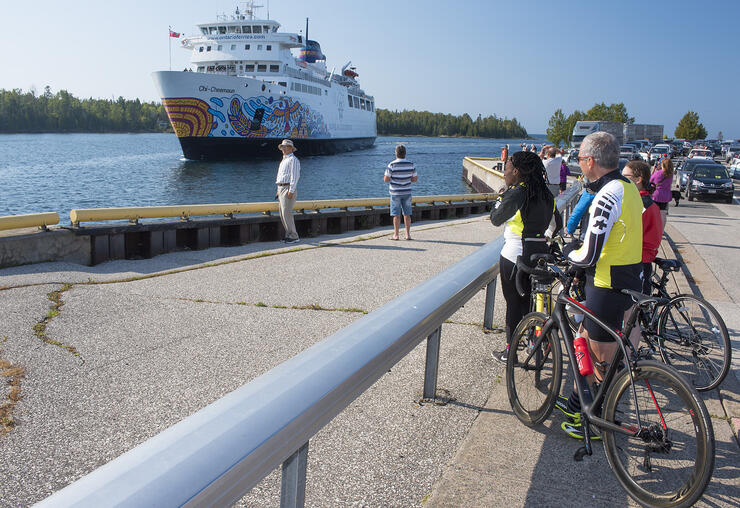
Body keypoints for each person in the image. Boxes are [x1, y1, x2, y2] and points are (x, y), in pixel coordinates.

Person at [557, 131, 643, 439]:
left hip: (608, 282)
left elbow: (589, 253)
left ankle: (594, 423)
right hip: (629, 275)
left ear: (590, 161)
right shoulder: (628, 186)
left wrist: (566, 252)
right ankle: (577, 400)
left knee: (600, 359)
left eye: (580, 158)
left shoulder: (608, 194)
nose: (578, 163)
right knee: (584, 338)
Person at [489, 151, 562, 362]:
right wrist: (545, 238)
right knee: (532, 300)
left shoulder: (516, 193)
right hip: (539, 254)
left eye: (507, 169)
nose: (504, 173)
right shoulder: (546, 194)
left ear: (517, 171)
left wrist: (501, 197)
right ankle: (534, 341)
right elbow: (557, 224)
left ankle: (510, 353)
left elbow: (496, 218)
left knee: (514, 304)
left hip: (514, 254)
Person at [622, 160, 662, 295]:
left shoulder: (640, 205)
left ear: (638, 180)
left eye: (626, 177)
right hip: (643, 256)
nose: (621, 180)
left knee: (636, 301)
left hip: (638, 258)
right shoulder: (648, 202)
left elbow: (627, 234)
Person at [384, 144, 418, 240]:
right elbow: (415, 179)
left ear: (396, 153)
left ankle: (396, 235)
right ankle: (407, 235)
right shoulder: (411, 164)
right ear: (405, 153)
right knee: (407, 214)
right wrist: (407, 179)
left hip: (395, 193)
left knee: (396, 215)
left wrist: (394, 178)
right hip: (407, 192)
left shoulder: (392, 165)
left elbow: (386, 179)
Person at [275, 139, 300, 243]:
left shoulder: (293, 160)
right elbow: (281, 176)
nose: (283, 149)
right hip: (281, 188)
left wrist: (291, 190)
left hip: (287, 188)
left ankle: (294, 236)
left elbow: (295, 176)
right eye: (282, 147)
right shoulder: (284, 160)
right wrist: (278, 190)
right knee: (282, 213)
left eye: (285, 147)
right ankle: (288, 234)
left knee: (287, 213)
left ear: (291, 148)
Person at [650, 157, 673, 229]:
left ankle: (654, 229)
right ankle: (662, 230)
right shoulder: (670, 175)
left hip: (656, 195)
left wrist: (653, 170)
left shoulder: (658, 173)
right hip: (666, 196)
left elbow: (650, 180)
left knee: (654, 213)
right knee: (663, 213)